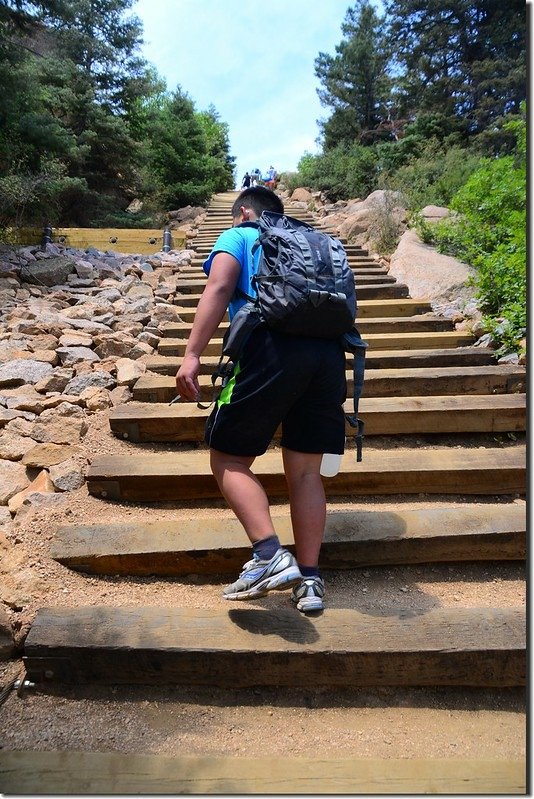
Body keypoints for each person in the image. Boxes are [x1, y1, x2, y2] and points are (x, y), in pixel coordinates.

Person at [176, 186, 346, 613]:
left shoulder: (241, 233)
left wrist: (192, 355)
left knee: (228, 458)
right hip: (327, 355)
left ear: (245, 211)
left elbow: (218, 287)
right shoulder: (313, 243)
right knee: (307, 473)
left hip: (268, 349)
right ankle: (309, 580)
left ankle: (269, 555)